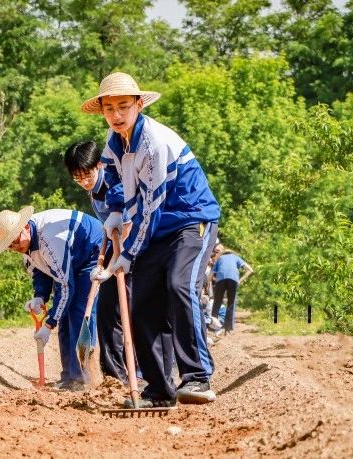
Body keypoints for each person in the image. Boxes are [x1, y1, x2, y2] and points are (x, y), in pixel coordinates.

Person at [83, 72, 220, 407]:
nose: (116, 115)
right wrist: (115, 208)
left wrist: (126, 254)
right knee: (142, 304)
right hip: (155, 228)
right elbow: (111, 172)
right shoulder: (115, 139)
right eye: (110, 108)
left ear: (139, 105)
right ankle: (159, 390)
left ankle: (197, 377)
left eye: (124, 106)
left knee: (178, 285)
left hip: (190, 221)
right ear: (102, 110)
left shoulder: (154, 144)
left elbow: (151, 211)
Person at [0, 206, 102, 391]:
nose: (15, 247)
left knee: (77, 312)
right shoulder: (26, 249)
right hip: (68, 261)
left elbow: (66, 286)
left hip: (89, 251)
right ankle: (70, 377)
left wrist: (49, 324)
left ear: (25, 227)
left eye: (15, 240)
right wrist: (39, 297)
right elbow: (41, 272)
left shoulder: (50, 241)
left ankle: (86, 377)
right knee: (64, 321)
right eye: (9, 245)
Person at [63, 140, 127, 382]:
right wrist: (104, 266)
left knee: (132, 311)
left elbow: (128, 227)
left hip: (136, 251)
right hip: (115, 250)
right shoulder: (93, 193)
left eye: (87, 175)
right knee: (107, 312)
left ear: (99, 165)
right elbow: (109, 232)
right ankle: (114, 377)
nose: (84, 182)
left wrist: (115, 264)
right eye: (77, 178)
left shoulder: (115, 183)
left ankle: (140, 374)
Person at [210, 244, 253, 334]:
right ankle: (228, 329)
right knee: (231, 304)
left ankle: (212, 327)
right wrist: (240, 281)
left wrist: (207, 285)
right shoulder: (236, 257)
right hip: (233, 280)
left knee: (217, 303)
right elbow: (250, 270)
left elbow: (211, 275)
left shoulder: (219, 259)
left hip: (220, 280)